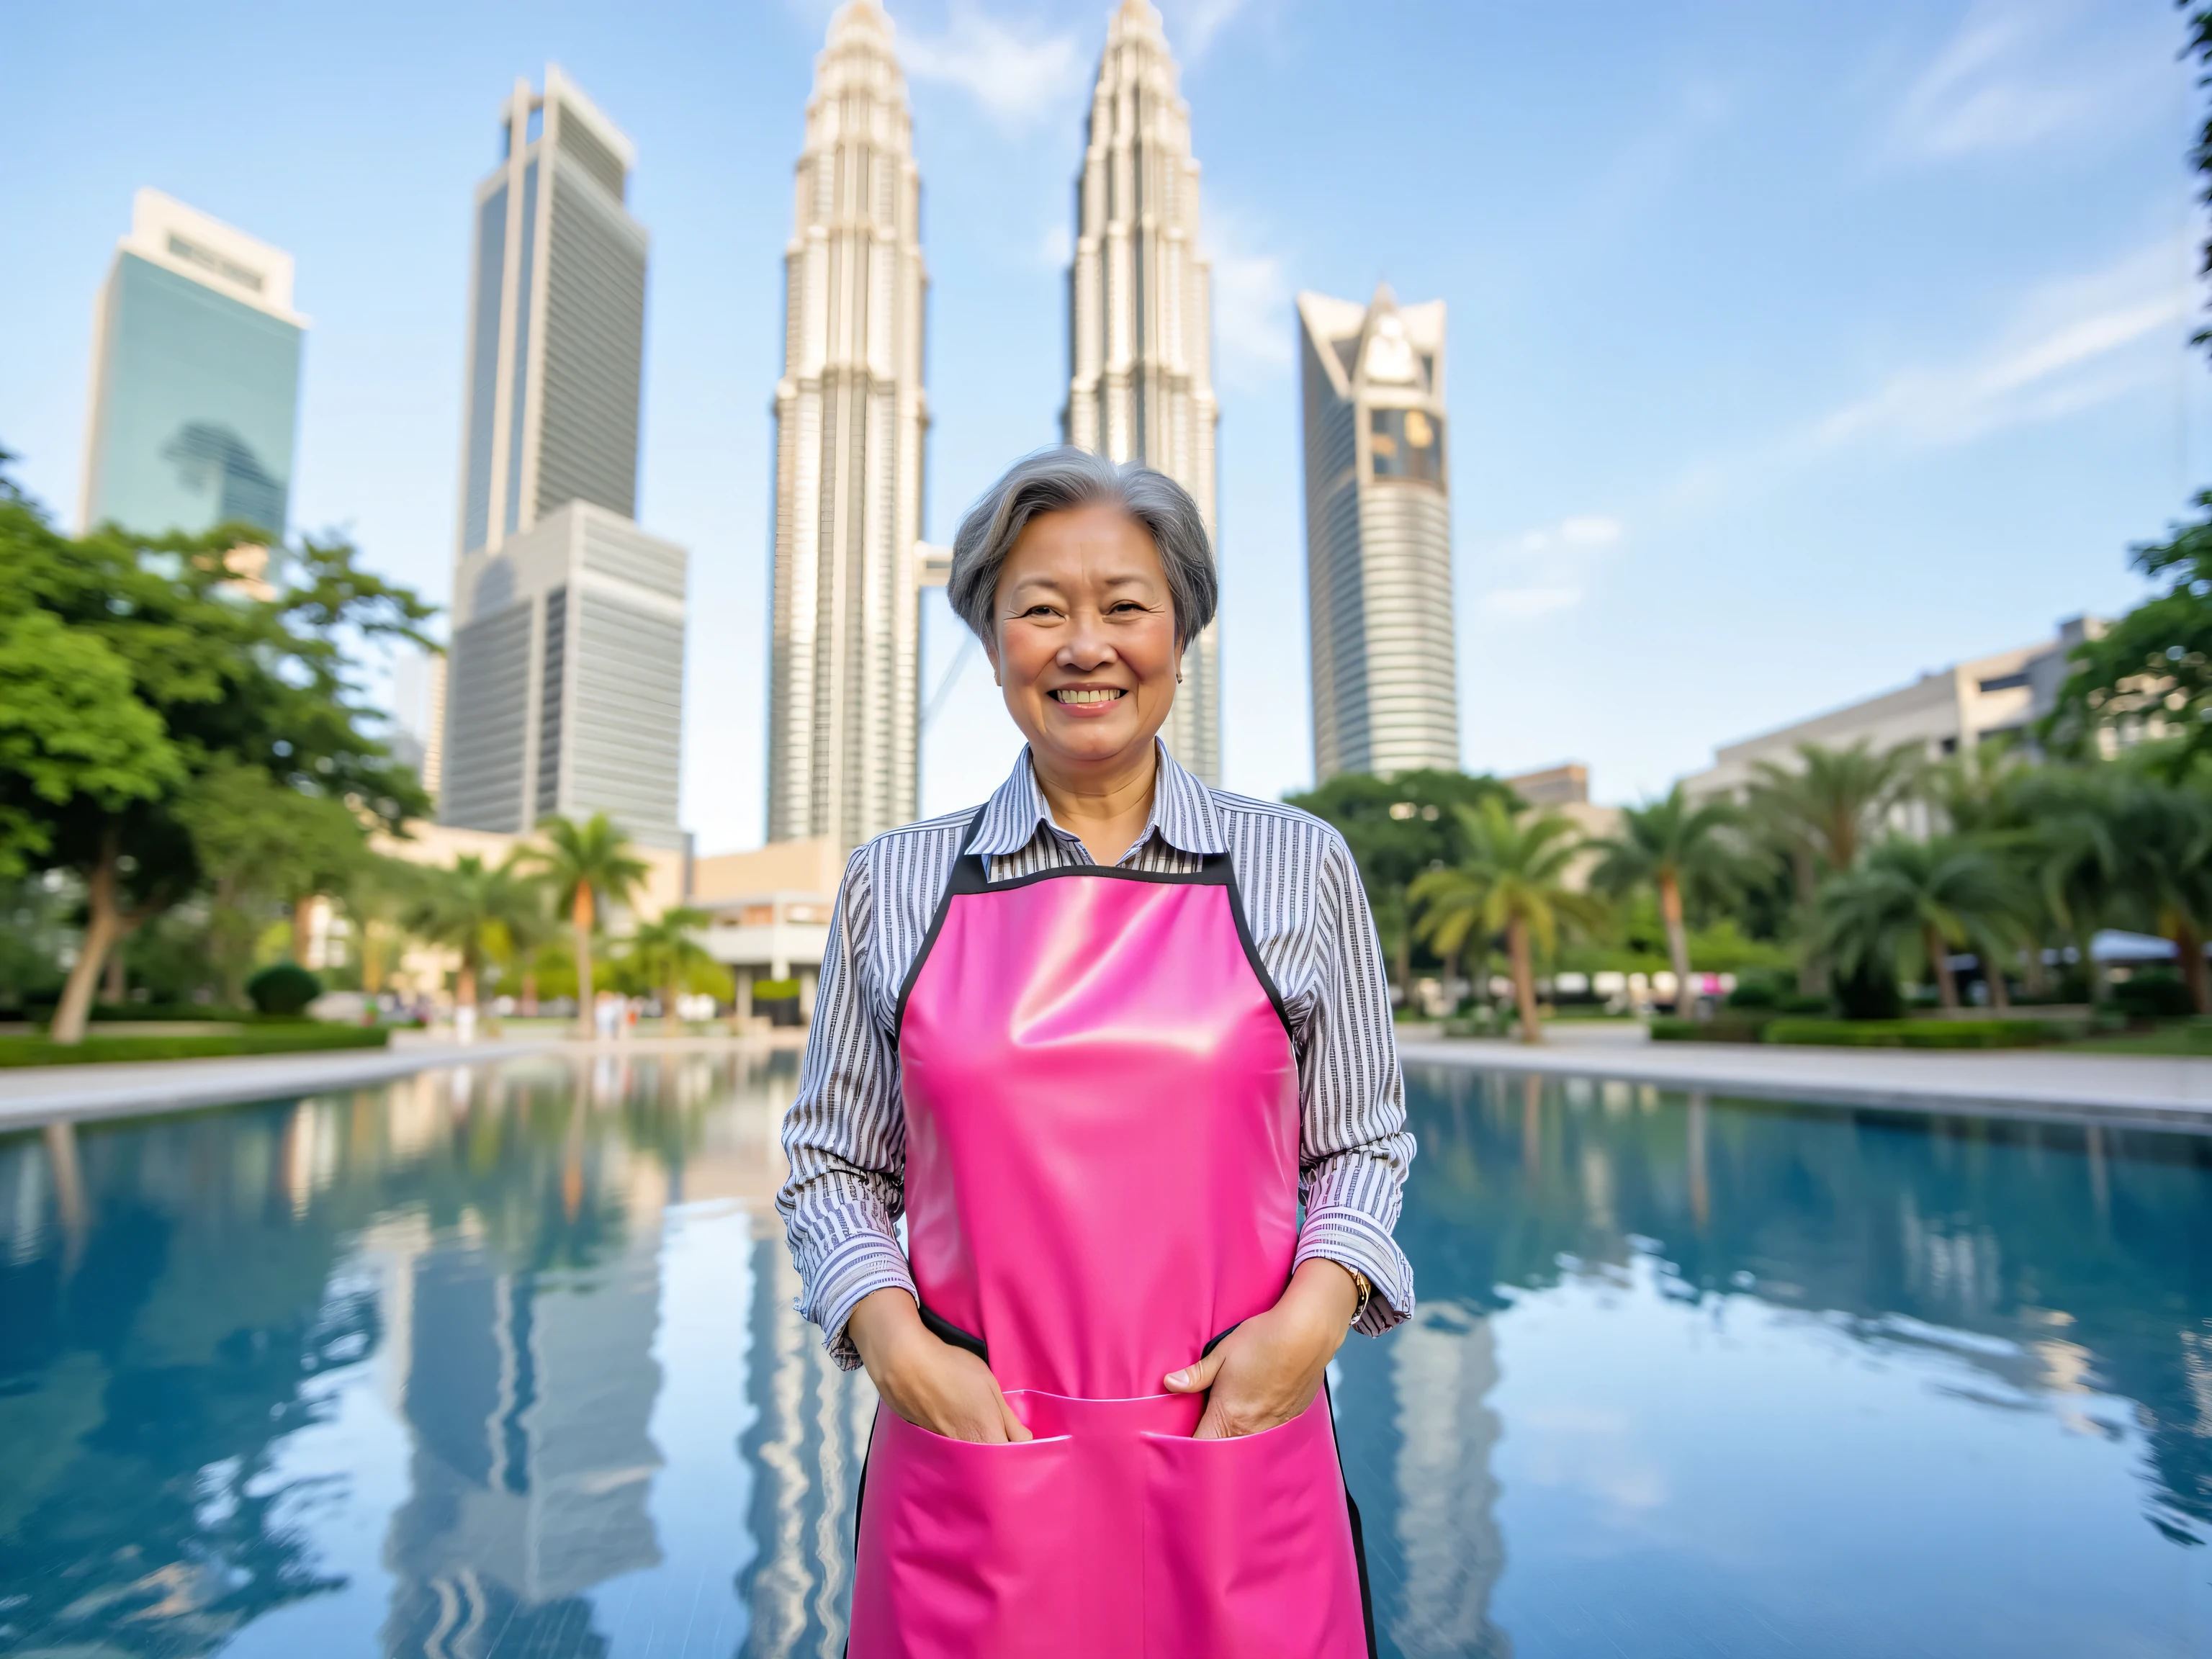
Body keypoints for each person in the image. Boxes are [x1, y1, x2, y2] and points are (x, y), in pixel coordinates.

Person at [778, 448, 1416, 1658]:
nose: (1086, 647)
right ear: (991, 641)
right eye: (1040, 611)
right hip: (973, 1458)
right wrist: (897, 1345)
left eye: (1125, 606)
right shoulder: (893, 882)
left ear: (1181, 631)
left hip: (1238, 1449)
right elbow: (832, 1164)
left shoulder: (1300, 865)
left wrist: (1311, 1322)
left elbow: (1360, 1144)